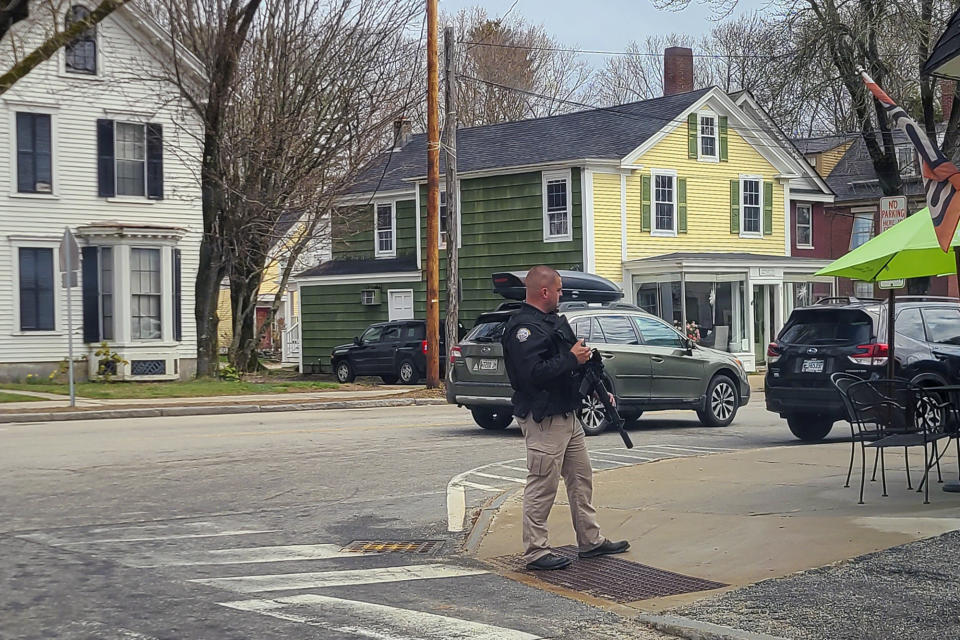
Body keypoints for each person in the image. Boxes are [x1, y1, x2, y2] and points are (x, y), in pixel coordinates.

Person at [500, 265, 630, 571]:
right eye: (558, 290)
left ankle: (590, 540)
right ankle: (536, 551)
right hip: (544, 417)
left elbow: (576, 362)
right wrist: (571, 357)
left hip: (568, 413)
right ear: (544, 292)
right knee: (542, 484)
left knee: (581, 478)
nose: (562, 295)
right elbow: (532, 375)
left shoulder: (553, 322)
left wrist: (598, 390)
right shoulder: (523, 329)